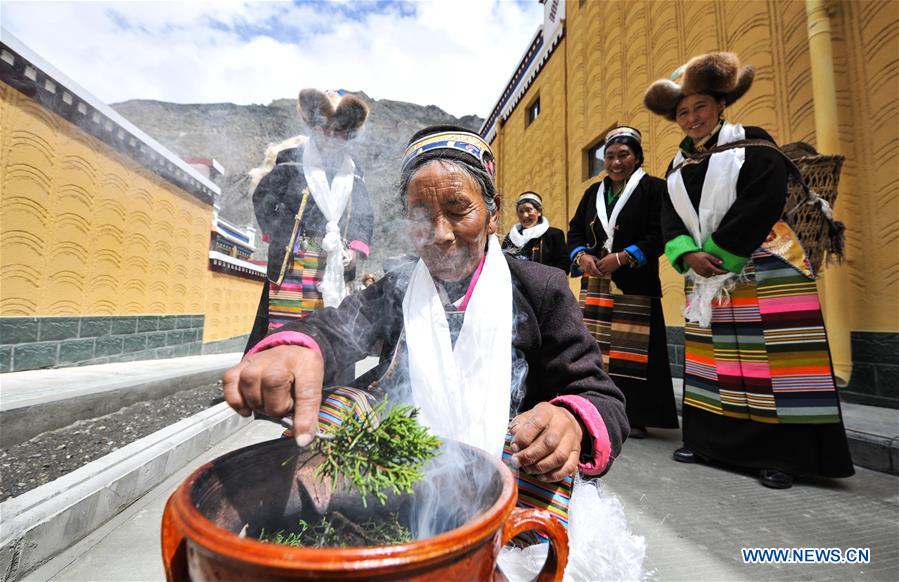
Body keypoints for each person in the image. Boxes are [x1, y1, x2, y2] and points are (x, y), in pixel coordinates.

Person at [223, 125, 630, 575]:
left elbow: (600, 395)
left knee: (536, 448)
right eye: (421, 214)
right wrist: (297, 348)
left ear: (493, 213)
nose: (440, 234)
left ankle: (508, 556)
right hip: (405, 461)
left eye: (459, 210)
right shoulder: (398, 285)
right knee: (338, 413)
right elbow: (334, 329)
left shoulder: (540, 289)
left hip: (504, 466)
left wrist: (570, 419)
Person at [644, 52, 854, 488]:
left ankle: (784, 456)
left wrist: (718, 253)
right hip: (704, 275)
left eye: (700, 106)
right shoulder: (677, 166)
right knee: (713, 360)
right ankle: (708, 445)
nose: (692, 117)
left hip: (763, 266)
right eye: (682, 112)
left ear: (721, 104)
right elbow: (669, 218)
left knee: (772, 361)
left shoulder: (753, 145)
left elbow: (763, 199)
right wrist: (687, 255)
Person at [567, 126, 678, 439]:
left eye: (623, 155)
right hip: (597, 281)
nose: (615, 162)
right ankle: (597, 407)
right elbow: (575, 232)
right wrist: (581, 257)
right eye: (610, 156)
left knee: (634, 350)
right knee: (596, 347)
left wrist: (625, 256)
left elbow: (661, 233)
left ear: (637, 156)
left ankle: (636, 414)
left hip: (635, 283)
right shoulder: (593, 194)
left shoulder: (655, 189)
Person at [245, 88, 374, 353]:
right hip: (294, 258)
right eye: (324, 127)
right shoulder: (292, 163)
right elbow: (263, 196)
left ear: (348, 134)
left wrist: (353, 250)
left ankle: (325, 382)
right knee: (287, 328)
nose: (330, 135)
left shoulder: (353, 175)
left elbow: (364, 215)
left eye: (338, 130)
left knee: (329, 328)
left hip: (334, 263)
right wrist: (278, 232)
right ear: (314, 126)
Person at [501, 191, 569, 273]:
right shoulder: (511, 237)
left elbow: (564, 266)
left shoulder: (554, 235)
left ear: (539, 212)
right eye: (521, 211)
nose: (525, 215)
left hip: (546, 284)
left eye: (529, 210)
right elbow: (503, 264)